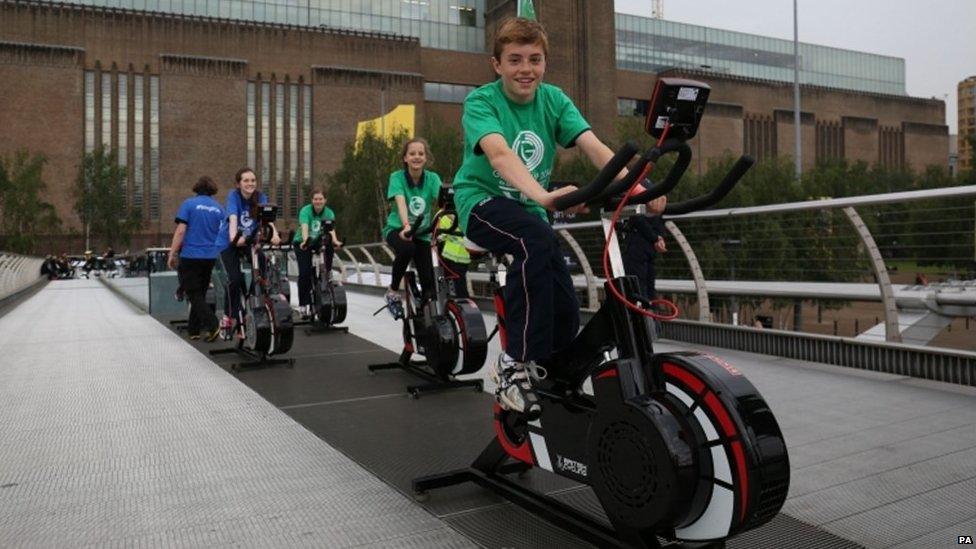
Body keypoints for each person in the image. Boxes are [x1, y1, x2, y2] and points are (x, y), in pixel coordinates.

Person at [452, 18, 665, 419]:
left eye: (534, 59)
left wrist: (639, 187)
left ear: (545, 63)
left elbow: (596, 147)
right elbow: (498, 154)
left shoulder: (553, 100)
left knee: (563, 303)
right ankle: (514, 365)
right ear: (496, 64)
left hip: (531, 211)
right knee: (534, 239)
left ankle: (555, 373)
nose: (525, 69)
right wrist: (546, 197)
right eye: (514, 60)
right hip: (482, 203)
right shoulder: (481, 102)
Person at [215, 167, 281, 338]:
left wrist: (273, 234)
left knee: (262, 268)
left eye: (253, 180)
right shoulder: (233, 196)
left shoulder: (260, 197)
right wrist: (233, 237)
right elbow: (233, 218)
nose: (250, 183)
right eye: (246, 180)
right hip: (230, 241)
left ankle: (251, 300)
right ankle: (228, 317)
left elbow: (267, 219)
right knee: (235, 279)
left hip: (248, 239)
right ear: (239, 184)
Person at [381, 137, 441, 317]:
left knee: (429, 282)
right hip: (397, 230)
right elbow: (400, 201)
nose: (417, 157)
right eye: (412, 153)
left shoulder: (432, 179)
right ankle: (392, 291)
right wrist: (406, 226)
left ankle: (425, 315)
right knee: (407, 249)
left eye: (421, 154)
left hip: (422, 233)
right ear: (405, 158)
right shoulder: (397, 177)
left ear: (426, 157)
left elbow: (445, 202)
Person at [167, 176, 225, 341]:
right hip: (210, 257)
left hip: (191, 255)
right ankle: (194, 330)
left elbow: (180, 231)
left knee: (193, 293)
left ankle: (213, 324)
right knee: (200, 292)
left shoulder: (189, 204)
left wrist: (172, 253)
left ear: (196, 188)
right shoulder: (219, 209)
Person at [294, 187, 343, 318]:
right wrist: (305, 241)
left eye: (320, 199)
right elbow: (304, 227)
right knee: (304, 273)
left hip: (318, 241)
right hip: (302, 242)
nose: (318, 201)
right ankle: (303, 305)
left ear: (325, 200)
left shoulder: (329, 213)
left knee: (329, 244)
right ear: (312, 200)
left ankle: (327, 270)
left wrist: (336, 241)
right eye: (315, 199)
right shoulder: (305, 211)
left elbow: (331, 230)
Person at [621, 206, 667, 300]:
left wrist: (657, 238)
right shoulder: (656, 195)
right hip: (649, 247)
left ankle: (644, 311)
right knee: (647, 286)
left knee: (638, 286)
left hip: (638, 246)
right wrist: (659, 238)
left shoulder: (636, 195)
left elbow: (636, 217)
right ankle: (649, 311)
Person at [435, 187, 471, 299]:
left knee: (451, 285)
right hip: (460, 256)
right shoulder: (466, 211)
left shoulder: (442, 215)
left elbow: (434, 233)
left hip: (449, 255)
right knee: (459, 285)